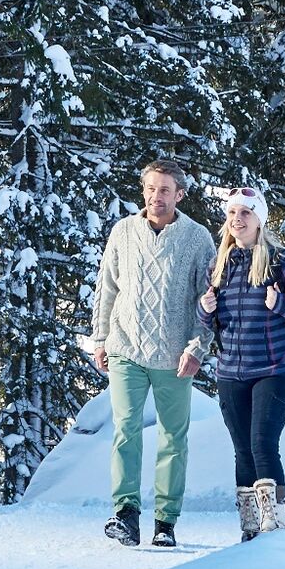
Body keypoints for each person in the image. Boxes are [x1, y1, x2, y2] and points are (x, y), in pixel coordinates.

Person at [91, 159, 214, 548]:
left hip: (175, 356)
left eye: (164, 190)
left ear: (179, 195)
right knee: (125, 430)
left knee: (173, 438)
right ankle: (126, 514)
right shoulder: (123, 232)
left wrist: (198, 348)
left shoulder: (197, 238)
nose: (155, 196)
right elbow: (107, 288)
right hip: (125, 348)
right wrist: (100, 338)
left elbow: (208, 300)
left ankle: (166, 522)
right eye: (150, 188)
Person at [199, 186, 285, 539]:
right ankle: (251, 529)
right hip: (231, 372)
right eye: (232, 213)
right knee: (242, 450)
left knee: (262, 443)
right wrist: (204, 310)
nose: (237, 219)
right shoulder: (218, 266)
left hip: (276, 369)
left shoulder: (283, 264)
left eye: (245, 213)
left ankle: (275, 526)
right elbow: (213, 322)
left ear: (259, 220)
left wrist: (280, 305)